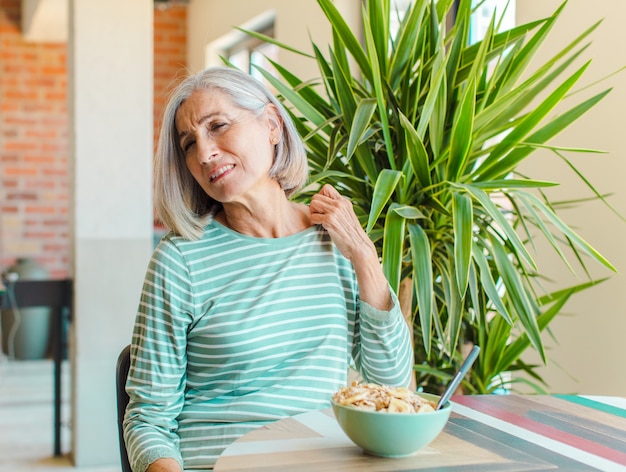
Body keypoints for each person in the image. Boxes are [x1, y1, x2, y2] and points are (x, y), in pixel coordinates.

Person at [123, 66, 414, 472]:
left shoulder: (334, 240)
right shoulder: (180, 261)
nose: (204, 153)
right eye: (189, 143)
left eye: (218, 126)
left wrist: (365, 256)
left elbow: (393, 385)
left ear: (272, 125)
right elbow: (148, 420)